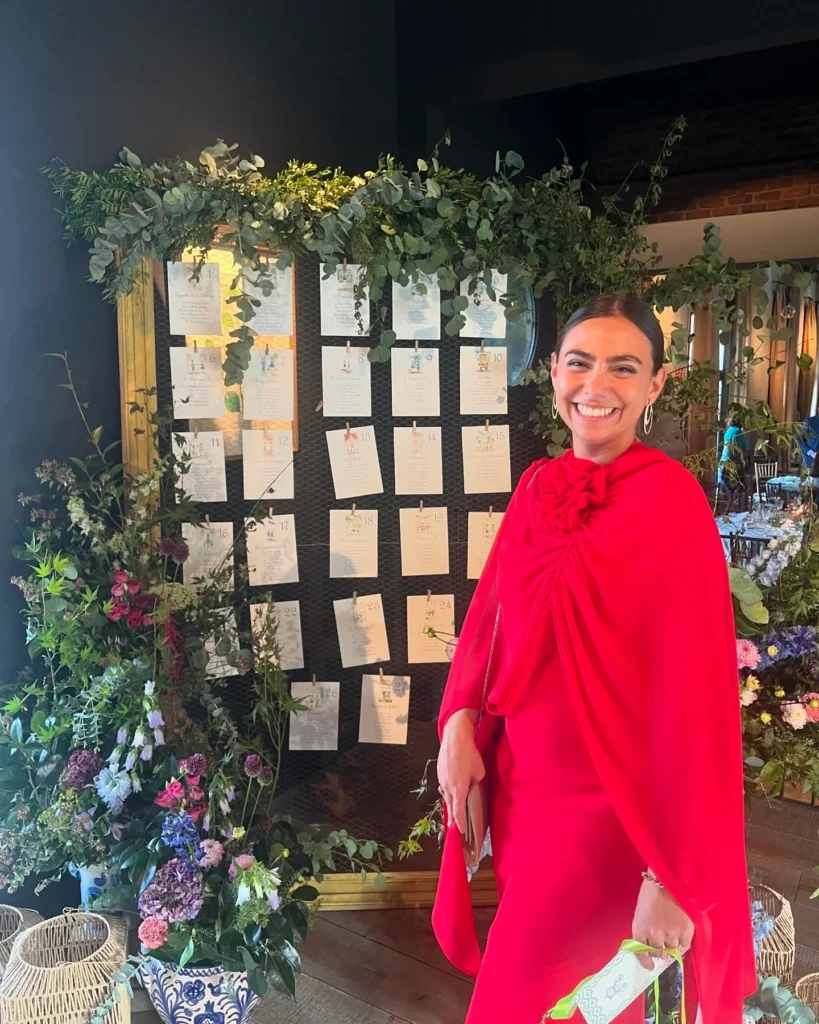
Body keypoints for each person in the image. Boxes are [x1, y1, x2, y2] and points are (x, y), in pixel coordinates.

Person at [432, 294, 754, 1024]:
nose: (595, 385)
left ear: (655, 384)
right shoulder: (536, 487)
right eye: (578, 363)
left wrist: (667, 871)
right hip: (523, 789)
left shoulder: (672, 504)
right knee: (577, 1002)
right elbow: (489, 620)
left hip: (617, 811)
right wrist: (457, 727)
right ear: (552, 371)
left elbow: (694, 703)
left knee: (532, 993)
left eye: (622, 367)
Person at [718, 415, 747, 491]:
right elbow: (744, 448)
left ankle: (724, 499)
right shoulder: (739, 432)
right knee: (741, 481)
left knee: (724, 483)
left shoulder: (728, 431)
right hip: (734, 462)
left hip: (724, 461)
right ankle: (737, 499)